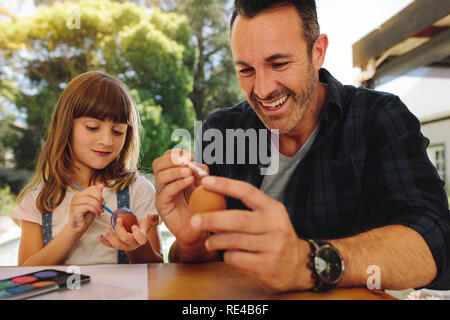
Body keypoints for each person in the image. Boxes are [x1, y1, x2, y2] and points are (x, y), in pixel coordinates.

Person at [152, 0, 450, 292]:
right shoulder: (221, 131)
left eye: (278, 63)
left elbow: (435, 239)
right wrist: (192, 241)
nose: (263, 89)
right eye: (246, 70)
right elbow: (201, 267)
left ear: (317, 52)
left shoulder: (377, 118)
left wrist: (311, 261)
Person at [13, 71, 163, 266]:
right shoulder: (38, 201)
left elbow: (158, 271)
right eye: (93, 127)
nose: (107, 141)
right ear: (66, 127)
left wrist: (136, 246)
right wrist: (73, 229)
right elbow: (24, 274)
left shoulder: (138, 191)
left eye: (118, 131)